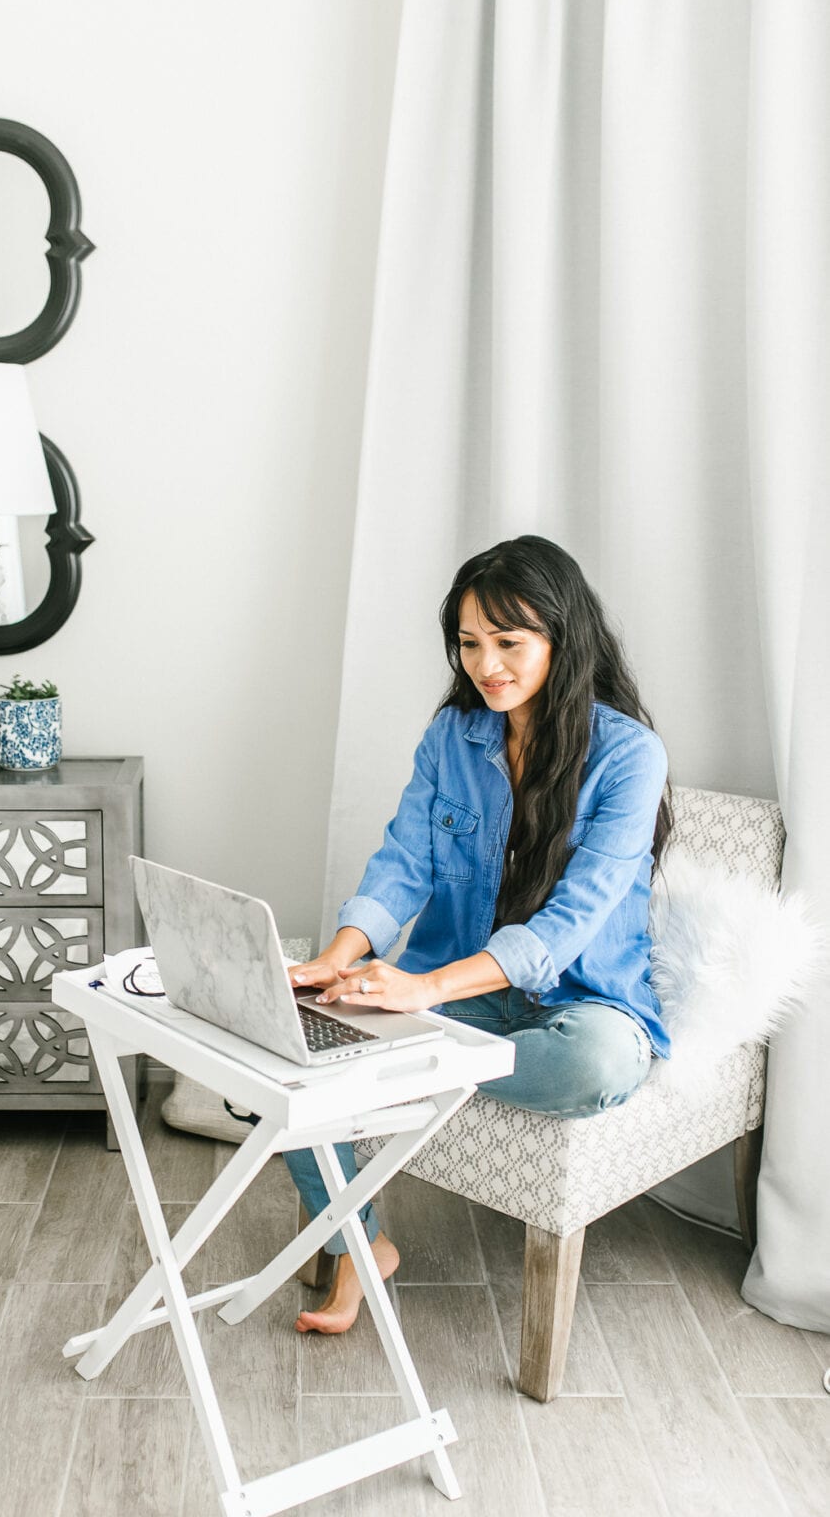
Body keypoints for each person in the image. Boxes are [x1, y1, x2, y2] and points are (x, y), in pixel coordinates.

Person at [285, 535, 671, 1334]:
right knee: (292, 1051)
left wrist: (421, 991)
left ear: (563, 640)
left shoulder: (631, 757)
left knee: (596, 1063)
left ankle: (385, 1076)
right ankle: (364, 1249)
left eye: (508, 642)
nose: (485, 665)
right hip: (460, 997)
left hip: (584, 1005)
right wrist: (338, 956)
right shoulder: (449, 739)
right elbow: (403, 863)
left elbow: (568, 925)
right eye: (468, 644)